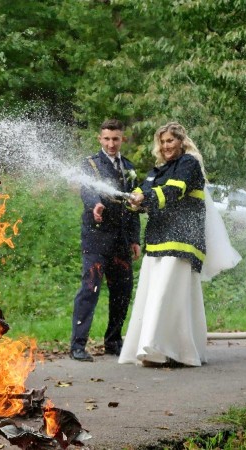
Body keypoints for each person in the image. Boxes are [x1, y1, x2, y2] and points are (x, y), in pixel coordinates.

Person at [118, 122, 240, 368]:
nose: (165, 146)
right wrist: (133, 201)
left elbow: (175, 191)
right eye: (162, 142)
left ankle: (159, 351)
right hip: (157, 240)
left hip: (182, 241)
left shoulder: (188, 164)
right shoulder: (158, 170)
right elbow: (144, 190)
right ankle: (160, 351)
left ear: (181, 142)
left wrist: (147, 197)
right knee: (152, 296)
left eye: (170, 141)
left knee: (165, 294)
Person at [69, 119, 141, 362]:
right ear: (100, 139)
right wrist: (95, 205)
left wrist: (134, 239)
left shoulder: (129, 168)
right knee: (90, 289)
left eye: (116, 139)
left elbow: (133, 204)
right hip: (96, 239)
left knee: (122, 291)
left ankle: (113, 341)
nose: (111, 143)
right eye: (107, 139)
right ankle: (77, 345)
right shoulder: (90, 164)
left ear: (123, 139)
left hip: (121, 241)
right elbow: (87, 189)